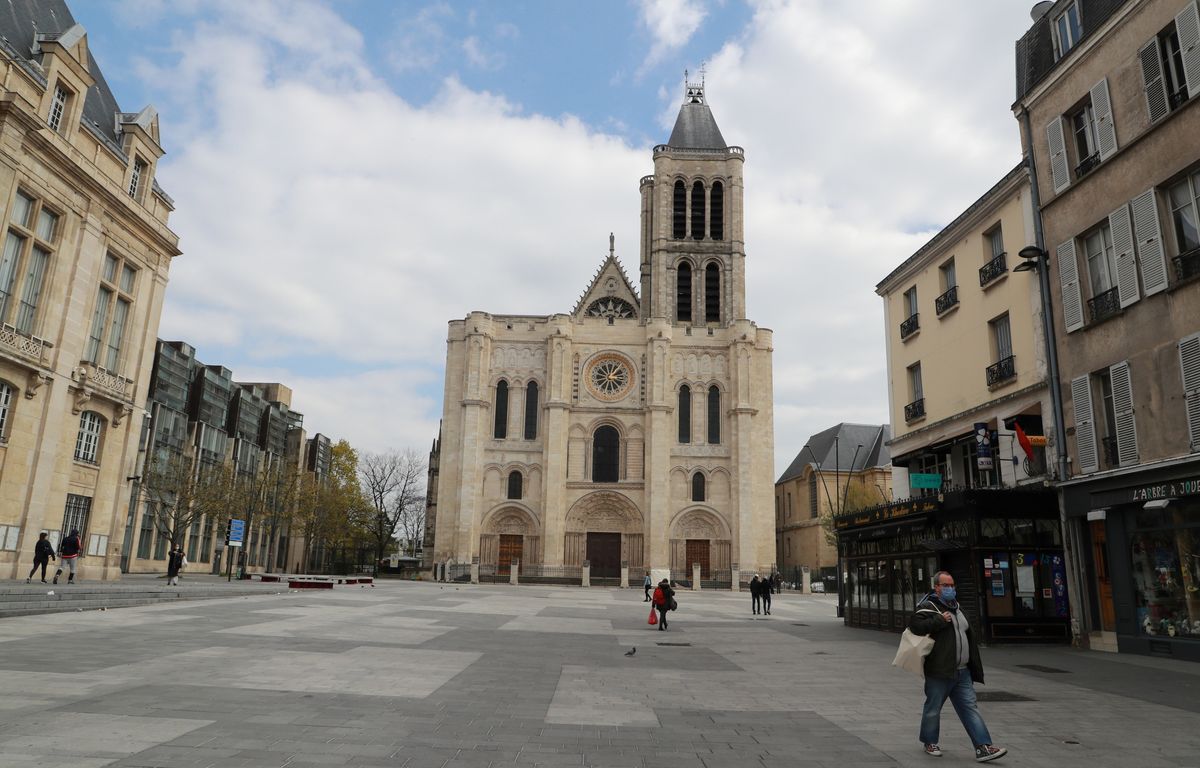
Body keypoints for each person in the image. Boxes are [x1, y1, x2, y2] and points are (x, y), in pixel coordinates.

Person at [910, 571, 1007, 763]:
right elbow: (915, 626)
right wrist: (939, 620)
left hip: (962, 672)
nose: (950, 589)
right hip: (939, 671)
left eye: (952, 585)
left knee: (970, 708)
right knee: (933, 708)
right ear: (936, 587)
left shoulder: (959, 609)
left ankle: (983, 747)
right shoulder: (928, 607)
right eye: (946, 585)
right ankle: (929, 742)